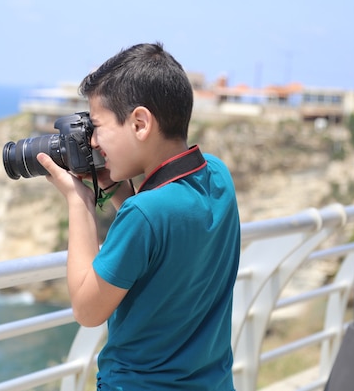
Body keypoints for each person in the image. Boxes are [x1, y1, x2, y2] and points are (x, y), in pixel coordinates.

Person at [37, 42, 240, 390]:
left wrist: (79, 201)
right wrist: (117, 190)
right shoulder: (219, 177)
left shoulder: (144, 214)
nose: (94, 143)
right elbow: (164, 241)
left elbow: (87, 310)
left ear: (140, 123)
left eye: (97, 127)